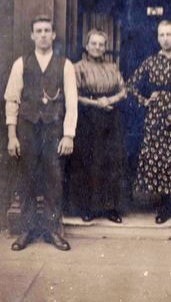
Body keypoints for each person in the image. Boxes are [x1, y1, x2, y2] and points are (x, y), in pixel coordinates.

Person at [5, 15, 78, 251]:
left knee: (53, 179)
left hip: (53, 130)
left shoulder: (65, 64)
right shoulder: (21, 63)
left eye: (47, 30)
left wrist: (68, 134)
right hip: (27, 128)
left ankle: (52, 230)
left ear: (54, 35)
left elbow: (72, 103)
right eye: (39, 30)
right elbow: (12, 100)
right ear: (32, 35)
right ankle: (26, 230)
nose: (43, 34)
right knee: (26, 178)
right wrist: (12, 135)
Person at [127, 20, 171, 224]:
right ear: (157, 38)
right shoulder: (151, 61)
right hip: (156, 117)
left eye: (168, 34)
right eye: (161, 35)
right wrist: (144, 100)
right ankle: (165, 205)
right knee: (161, 158)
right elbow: (130, 85)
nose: (165, 39)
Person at [71, 29, 126, 223]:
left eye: (101, 44)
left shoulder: (112, 67)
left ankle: (110, 208)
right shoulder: (78, 67)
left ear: (105, 47)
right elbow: (74, 95)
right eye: (93, 43)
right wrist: (97, 103)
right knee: (88, 161)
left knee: (110, 161)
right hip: (88, 118)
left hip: (110, 117)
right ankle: (87, 208)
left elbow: (123, 90)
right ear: (87, 46)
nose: (97, 47)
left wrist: (108, 100)